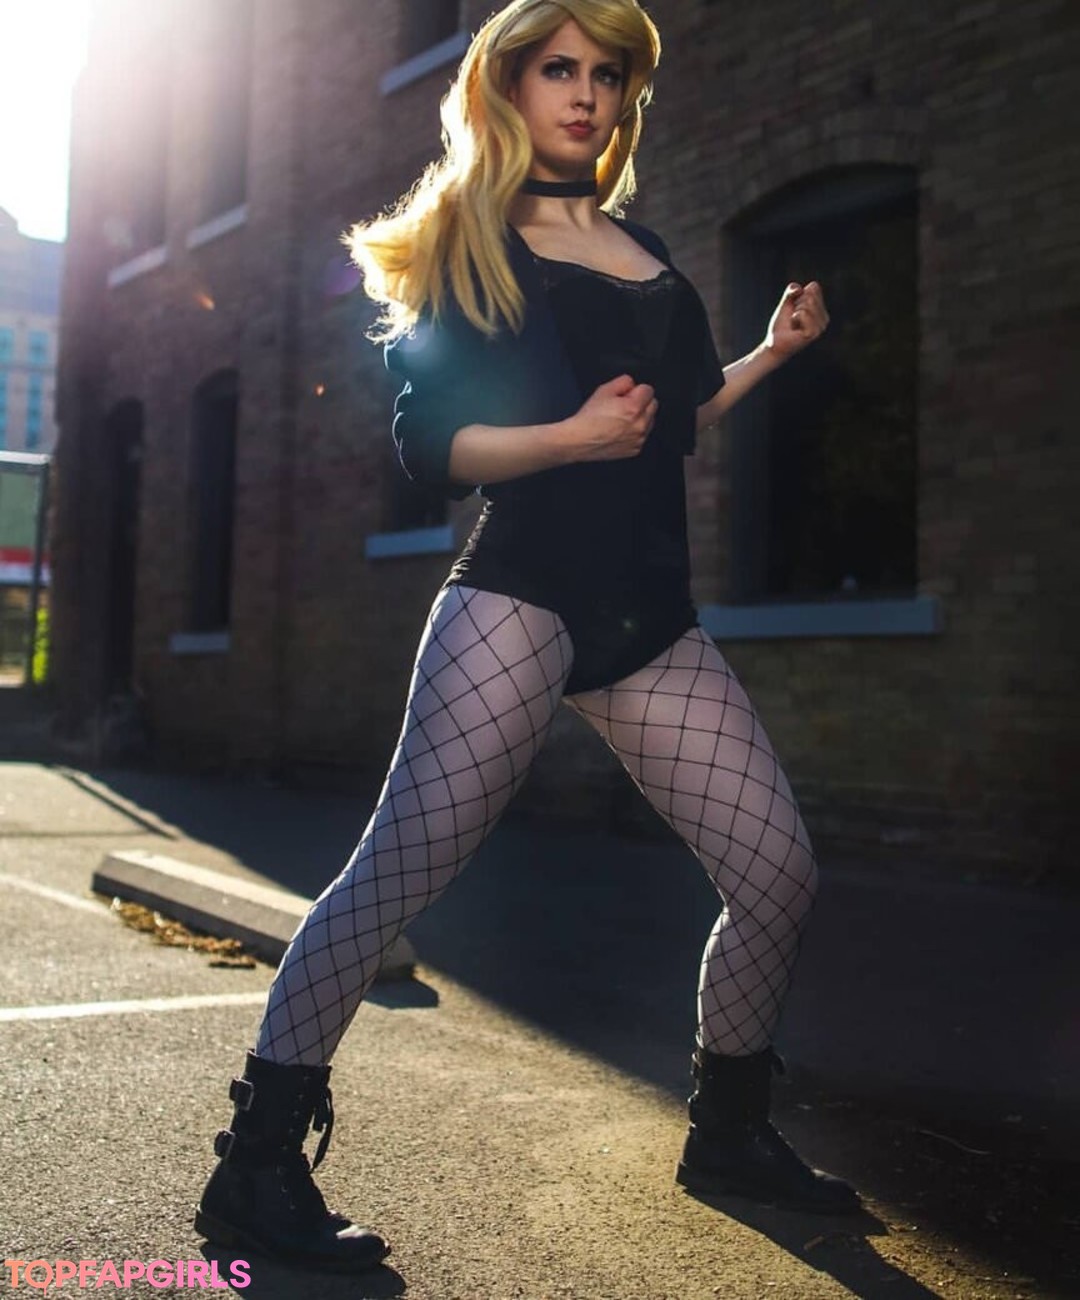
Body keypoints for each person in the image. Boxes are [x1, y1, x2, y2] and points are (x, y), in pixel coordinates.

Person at [194, 0, 860, 1274]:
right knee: (396, 873)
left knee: (777, 868)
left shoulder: (640, 245)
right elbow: (432, 447)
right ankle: (256, 1163)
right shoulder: (474, 243)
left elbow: (676, 417)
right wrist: (568, 437)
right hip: (520, 597)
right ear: (508, 88)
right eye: (559, 68)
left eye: (606, 73)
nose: (586, 93)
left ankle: (729, 1130)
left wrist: (772, 354)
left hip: (645, 614)